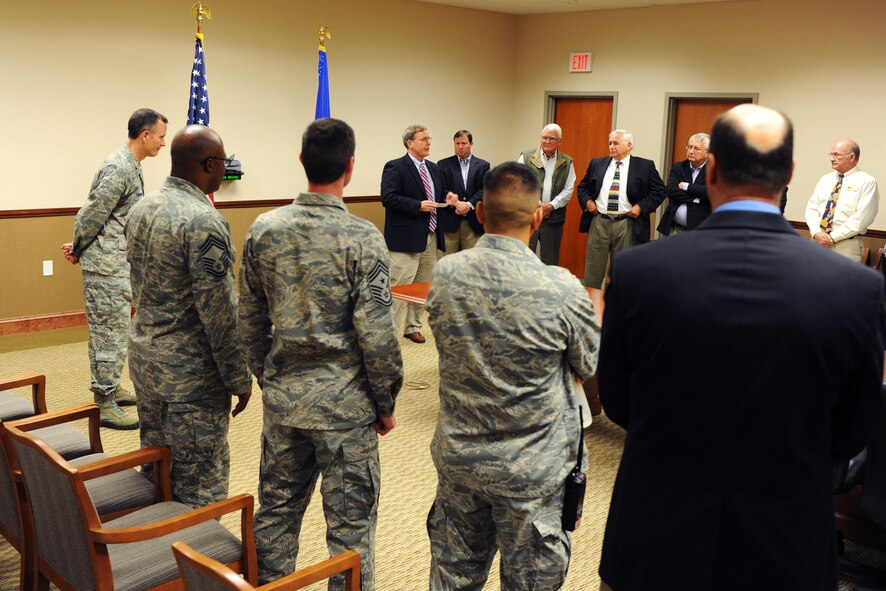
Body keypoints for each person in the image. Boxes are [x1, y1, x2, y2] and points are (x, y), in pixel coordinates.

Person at [597, 104, 885, 590]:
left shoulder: (639, 272)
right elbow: (854, 429)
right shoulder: (855, 288)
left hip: (656, 532)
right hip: (785, 540)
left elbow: (619, 401)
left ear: (710, 170)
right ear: (790, 174)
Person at [240, 118, 403, 589]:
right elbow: (377, 336)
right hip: (346, 410)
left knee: (275, 517)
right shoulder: (363, 238)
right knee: (351, 533)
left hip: (285, 403)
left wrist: (269, 377)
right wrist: (385, 403)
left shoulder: (263, 229)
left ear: (301, 161)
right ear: (351, 167)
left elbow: (248, 321)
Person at [426, 162, 599, 591]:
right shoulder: (561, 287)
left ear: (480, 213)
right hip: (532, 470)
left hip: (460, 460)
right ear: (539, 216)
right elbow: (588, 365)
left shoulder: (447, 275)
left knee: (452, 578)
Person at [125, 125, 251, 508]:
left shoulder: (142, 207)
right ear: (210, 164)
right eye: (222, 161)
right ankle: (190, 565)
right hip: (190, 379)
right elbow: (220, 313)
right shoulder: (203, 220)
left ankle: (157, 557)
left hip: (147, 363)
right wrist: (238, 376)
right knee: (199, 487)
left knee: (157, 470)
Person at [61, 108, 168, 430]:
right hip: (106, 266)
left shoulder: (131, 165)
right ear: (145, 135)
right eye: (161, 137)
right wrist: (79, 246)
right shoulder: (119, 167)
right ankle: (105, 400)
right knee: (109, 335)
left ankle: (112, 387)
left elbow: (112, 216)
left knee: (118, 331)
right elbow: (92, 212)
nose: (164, 144)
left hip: (116, 261)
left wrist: (80, 246)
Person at [381, 124, 447, 344]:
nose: (429, 142)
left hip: (430, 236)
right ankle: (389, 333)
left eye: (429, 138)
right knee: (399, 288)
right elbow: (388, 198)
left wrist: (451, 199)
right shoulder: (395, 167)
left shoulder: (434, 168)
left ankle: (413, 327)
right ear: (410, 143)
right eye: (424, 139)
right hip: (404, 240)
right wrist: (417, 205)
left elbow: (440, 193)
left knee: (421, 287)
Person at [577, 129, 666, 288]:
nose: (611, 146)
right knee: (593, 268)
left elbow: (659, 191)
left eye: (616, 143)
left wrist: (641, 206)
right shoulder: (597, 163)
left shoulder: (645, 166)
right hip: (599, 221)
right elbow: (582, 187)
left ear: (629, 146)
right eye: (610, 143)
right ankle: (591, 307)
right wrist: (587, 202)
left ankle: (617, 307)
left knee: (623, 270)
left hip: (627, 223)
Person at [804, 138, 880, 262]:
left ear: (851, 157)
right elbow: (811, 208)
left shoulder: (866, 182)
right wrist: (816, 232)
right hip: (816, 242)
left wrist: (831, 238)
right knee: (810, 281)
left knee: (842, 282)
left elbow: (861, 219)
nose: (832, 158)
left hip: (846, 245)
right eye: (831, 154)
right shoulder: (826, 179)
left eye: (836, 155)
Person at [518, 123, 576, 266]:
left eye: (551, 139)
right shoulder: (526, 157)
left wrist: (551, 206)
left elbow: (569, 189)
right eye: (544, 138)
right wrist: (536, 203)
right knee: (524, 259)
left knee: (550, 261)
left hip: (553, 219)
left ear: (559, 141)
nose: (547, 142)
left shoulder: (567, 162)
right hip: (529, 217)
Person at [436, 130, 491, 253]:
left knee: (472, 262)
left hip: (472, 222)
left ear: (471, 144)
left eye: (464, 143)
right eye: (457, 143)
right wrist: (456, 204)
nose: (460, 147)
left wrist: (468, 205)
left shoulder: (483, 165)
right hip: (450, 221)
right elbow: (441, 189)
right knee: (446, 261)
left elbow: (485, 189)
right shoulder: (443, 164)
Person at [656, 133, 711, 236]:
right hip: (675, 228)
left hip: (700, 230)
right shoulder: (678, 167)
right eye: (689, 147)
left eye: (696, 148)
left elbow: (710, 192)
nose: (691, 151)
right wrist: (696, 199)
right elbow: (671, 191)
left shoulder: (714, 170)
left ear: (707, 153)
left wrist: (687, 186)